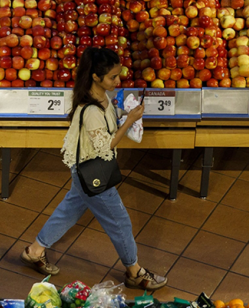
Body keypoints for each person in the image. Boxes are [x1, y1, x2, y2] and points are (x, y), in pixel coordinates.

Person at [20, 47, 168, 291]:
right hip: (93, 174)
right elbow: (105, 146)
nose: (118, 81)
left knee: (69, 210)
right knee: (120, 222)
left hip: (82, 171)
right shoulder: (90, 110)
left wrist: (122, 111)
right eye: (113, 77)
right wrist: (129, 121)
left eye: (118, 75)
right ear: (96, 77)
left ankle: (34, 252)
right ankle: (135, 272)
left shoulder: (99, 96)